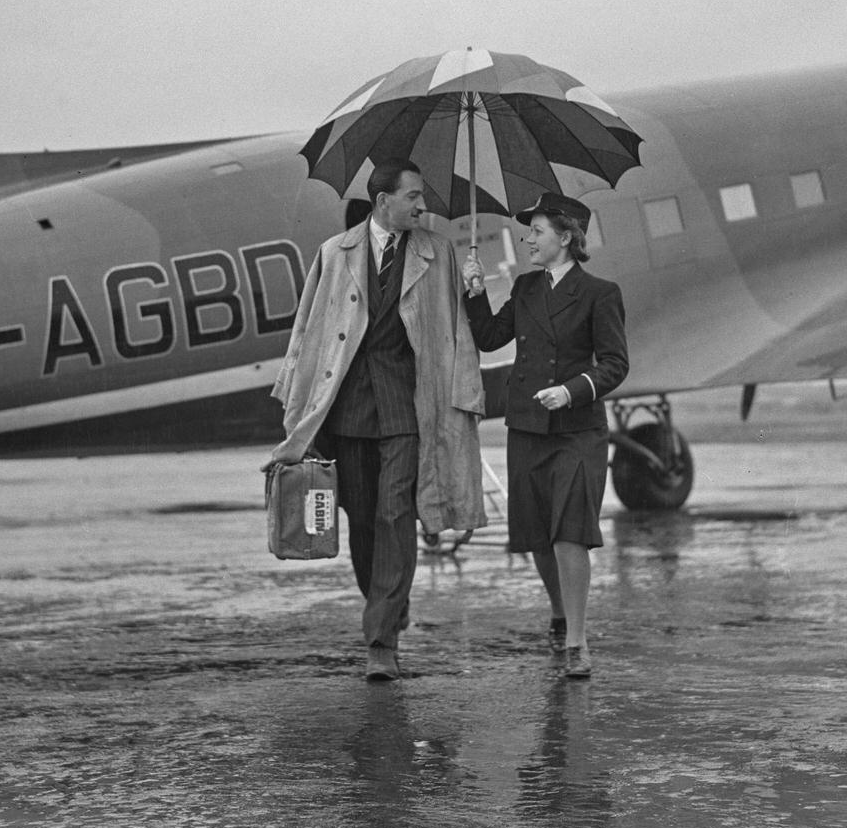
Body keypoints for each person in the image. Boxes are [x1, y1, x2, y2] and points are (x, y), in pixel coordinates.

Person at [266, 160, 486, 681]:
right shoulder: (333, 254)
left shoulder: (440, 252)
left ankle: (381, 641)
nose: (421, 204)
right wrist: (296, 409)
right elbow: (307, 332)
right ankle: (388, 601)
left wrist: (475, 294)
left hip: (410, 409)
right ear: (382, 200)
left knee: (395, 516)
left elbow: (459, 330)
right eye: (412, 195)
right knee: (362, 520)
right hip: (348, 409)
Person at [461, 193, 628, 678]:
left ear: (567, 237)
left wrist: (573, 391)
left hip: (578, 429)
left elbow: (615, 364)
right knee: (538, 534)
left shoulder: (601, 293)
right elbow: (491, 337)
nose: (527, 238)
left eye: (536, 231)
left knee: (569, 533)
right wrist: (474, 293)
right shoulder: (527, 287)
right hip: (529, 427)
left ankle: (577, 640)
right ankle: (559, 614)